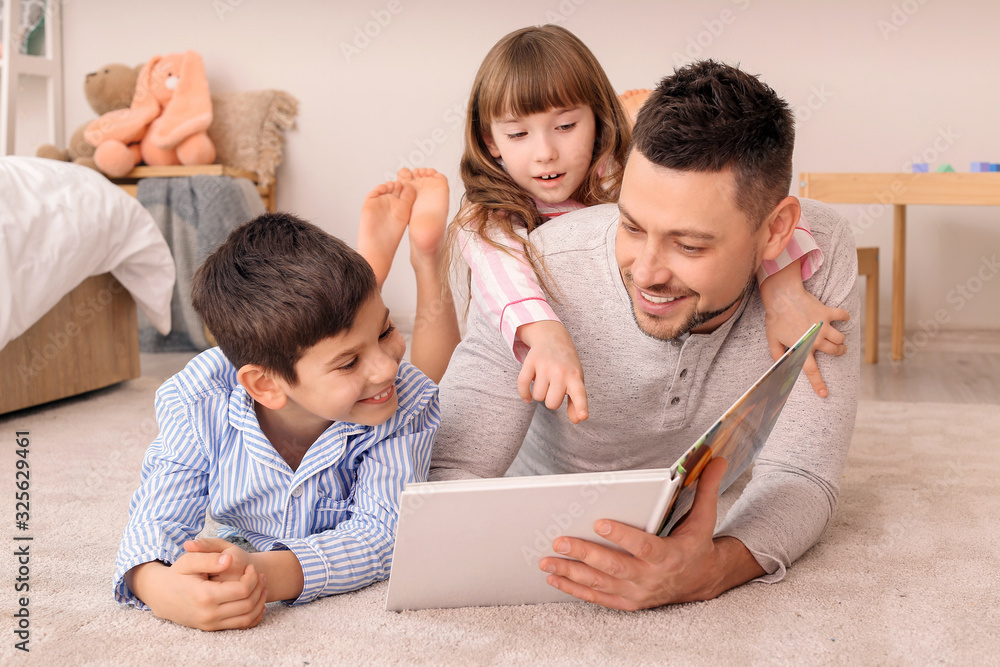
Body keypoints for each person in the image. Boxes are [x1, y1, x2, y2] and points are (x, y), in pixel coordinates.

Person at [429, 59, 860, 610]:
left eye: (690, 245)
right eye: (630, 226)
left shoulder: (818, 256)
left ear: (777, 230)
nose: (649, 273)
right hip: (539, 505)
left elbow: (802, 471)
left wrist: (714, 568)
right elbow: (452, 473)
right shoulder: (537, 271)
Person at [442, 25, 846, 427]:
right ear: (491, 142)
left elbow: (752, 213)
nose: (545, 153)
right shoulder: (489, 220)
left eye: (566, 127)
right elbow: (501, 272)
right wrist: (546, 336)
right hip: (559, 398)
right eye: (517, 134)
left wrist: (784, 292)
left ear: (600, 120)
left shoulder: (620, 178)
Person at [114, 212, 441, 631]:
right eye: (349, 362)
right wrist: (160, 588)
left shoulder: (407, 402)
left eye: (385, 331)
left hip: (270, 555)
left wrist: (260, 575)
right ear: (265, 386)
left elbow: (382, 535)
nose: (386, 368)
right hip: (245, 534)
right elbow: (156, 518)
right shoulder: (197, 401)